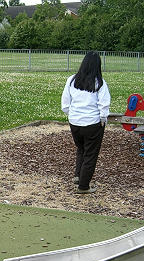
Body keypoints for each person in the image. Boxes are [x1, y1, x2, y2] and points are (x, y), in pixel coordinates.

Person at [61, 51, 111, 194]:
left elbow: (65, 103)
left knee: (81, 148)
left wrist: (72, 115)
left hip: (75, 122)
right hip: (92, 123)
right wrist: (103, 119)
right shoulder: (99, 83)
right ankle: (83, 186)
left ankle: (78, 175)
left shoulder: (72, 80)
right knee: (90, 153)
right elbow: (104, 104)